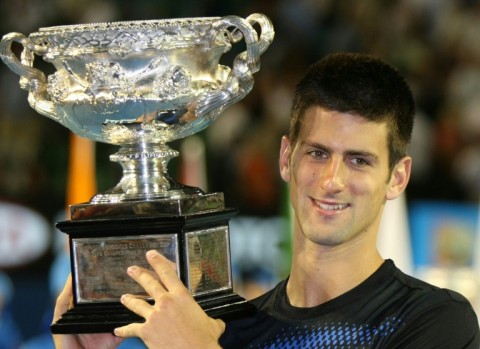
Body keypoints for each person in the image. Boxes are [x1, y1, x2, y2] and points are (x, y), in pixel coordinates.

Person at [52, 52, 480, 348]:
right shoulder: (228, 328)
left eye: (359, 161)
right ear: (286, 158)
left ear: (397, 177)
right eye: (317, 153)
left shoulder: (433, 321)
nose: (332, 180)